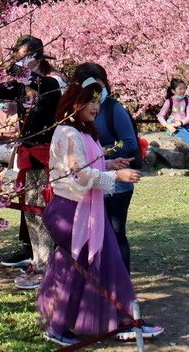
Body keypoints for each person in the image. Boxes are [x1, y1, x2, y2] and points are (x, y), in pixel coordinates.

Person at [36, 82, 163, 345]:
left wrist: (108, 163)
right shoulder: (68, 133)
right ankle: (120, 321)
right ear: (74, 104)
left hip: (85, 208)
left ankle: (119, 320)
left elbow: (86, 166)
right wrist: (115, 175)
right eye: (90, 101)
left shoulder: (82, 132)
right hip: (71, 210)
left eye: (97, 101)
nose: (96, 107)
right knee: (81, 267)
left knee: (94, 264)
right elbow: (79, 174)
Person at [0, 35, 61, 285]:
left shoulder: (53, 81)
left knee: (42, 209)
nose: (19, 61)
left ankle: (47, 264)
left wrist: (21, 73)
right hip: (28, 150)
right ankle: (37, 260)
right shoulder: (24, 82)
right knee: (30, 209)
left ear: (36, 55)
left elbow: (46, 91)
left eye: (23, 55)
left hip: (48, 152)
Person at [72, 63, 140, 272]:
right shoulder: (74, 113)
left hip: (116, 183)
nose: (95, 96)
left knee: (115, 233)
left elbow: (129, 142)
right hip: (86, 183)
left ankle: (122, 282)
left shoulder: (113, 108)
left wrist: (98, 153)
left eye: (99, 88)